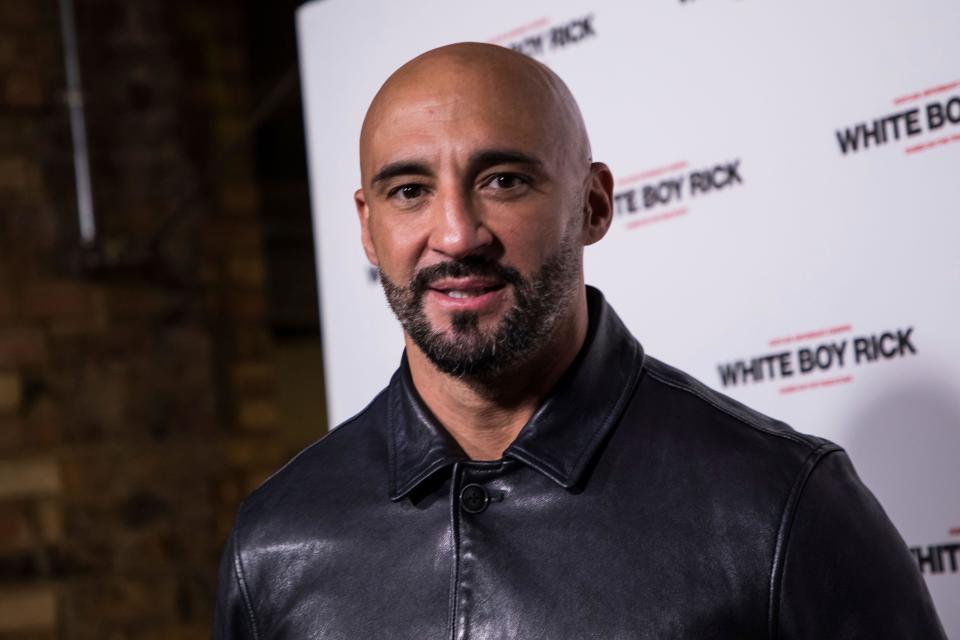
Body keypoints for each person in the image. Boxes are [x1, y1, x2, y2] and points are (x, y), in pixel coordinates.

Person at [214, 43, 945, 639]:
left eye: (502, 180)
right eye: (409, 191)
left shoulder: (780, 506)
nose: (457, 234)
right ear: (368, 226)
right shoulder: (276, 541)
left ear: (593, 204)